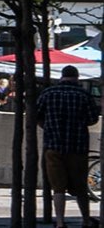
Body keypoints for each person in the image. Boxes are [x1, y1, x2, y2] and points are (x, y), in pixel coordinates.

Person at [40, 65, 101, 228]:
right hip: (78, 147)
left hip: (53, 146)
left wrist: (49, 126)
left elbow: (37, 115)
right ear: (77, 77)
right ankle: (86, 220)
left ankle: (60, 222)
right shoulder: (84, 95)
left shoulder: (48, 93)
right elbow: (93, 118)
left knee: (58, 187)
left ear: (61, 77)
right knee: (81, 186)